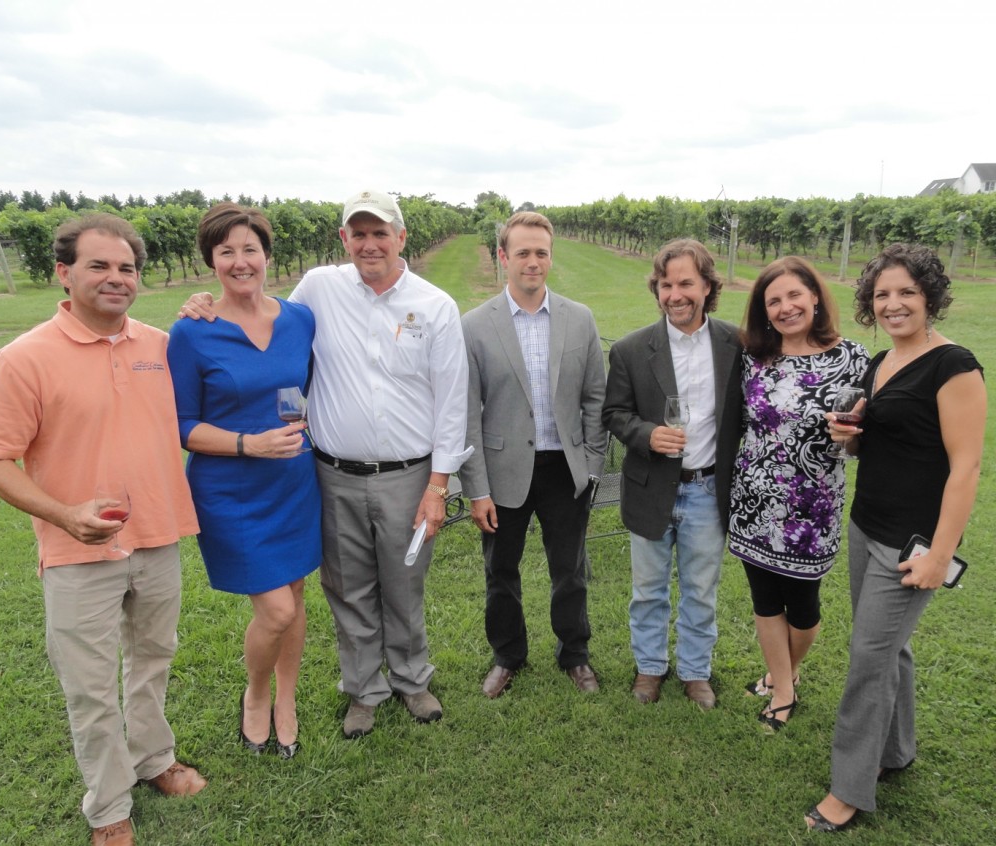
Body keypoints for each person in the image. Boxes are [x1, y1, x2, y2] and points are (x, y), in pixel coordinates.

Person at [181, 191, 469, 739]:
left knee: (404, 584)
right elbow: (258, 317)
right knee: (347, 587)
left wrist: (439, 484)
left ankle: (412, 679)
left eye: (380, 232)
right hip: (331, 474)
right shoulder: (318, 288)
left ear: (401, 237)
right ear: (344, 241)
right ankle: (364, 690)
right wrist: (205, 303)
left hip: (409, 476)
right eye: (357, 234)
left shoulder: (435, 306)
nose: (369, 243)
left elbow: (452, 401)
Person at [0, 215, 206, 846]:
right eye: (99, 265)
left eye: (127, 267)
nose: (116, 278)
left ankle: (155, 759)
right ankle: (108, 807)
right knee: (91, 686)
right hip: (77, 554)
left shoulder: (161, 346)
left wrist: (201, 304)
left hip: (158, 537)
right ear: (64, 273)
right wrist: (63, 515)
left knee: (154, 661)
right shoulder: (24, 357)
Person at [806, 244, 985, 832]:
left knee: (869, 656)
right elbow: (870, 444)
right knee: (890, 649)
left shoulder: (953, 366)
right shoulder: (881, 361)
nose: (893, 303)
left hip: (911, 541)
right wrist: (848, 434)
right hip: (867, 525)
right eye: (882, 294)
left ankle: (849, 789)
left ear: (930, 295)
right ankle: (896, 751)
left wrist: (939, 553)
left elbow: (965, 470)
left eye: (906, 291)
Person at [167, 203, 321, 759]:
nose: (239, 261)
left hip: (294, 482)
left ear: (267, 255)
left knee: (296, 596)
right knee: (275, 609)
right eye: (226, 251)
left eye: (249, 249)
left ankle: (287, 699)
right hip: (230, 490)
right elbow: (181, 425)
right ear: (210, 261)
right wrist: (245, 443)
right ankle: (255, 696)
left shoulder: (300, 319)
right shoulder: (192, 332)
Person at [460, 211, 607, 698]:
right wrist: (476, 488)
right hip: (504, 473)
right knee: (500, 571)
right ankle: (508, 655)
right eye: (522, 252)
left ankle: (575, 654)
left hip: (566, 470)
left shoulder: (579, 318)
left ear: (550, 256)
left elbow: (593, 400)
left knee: (571, 569)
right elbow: (467, 413)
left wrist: (591, 466)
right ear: (503, 257)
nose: (532, 261)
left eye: (541, 252)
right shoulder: (476, 326)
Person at [727, 257, 869, 731]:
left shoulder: (852, 358)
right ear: (764, 311)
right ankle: (782, 687)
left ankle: (782, 675)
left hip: (814, 508)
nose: (786, 307)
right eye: (774, 301)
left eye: (794, 295)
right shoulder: (752, 357)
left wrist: (850, 437)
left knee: (805, 610)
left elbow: (861, 440)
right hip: (754, 501)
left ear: (814, 295)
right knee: (765, 600)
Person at [602, 239, 742, 710]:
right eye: (666, 284)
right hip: (651, 488)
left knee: (701, 589)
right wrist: (646, 434)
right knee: (647, 589)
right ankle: (650, 667)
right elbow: (615, 413)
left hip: (707, 489)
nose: (675, 294)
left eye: (686, 283)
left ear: (707, 286)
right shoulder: (630, 349)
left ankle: (696, 671)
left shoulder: (735, 345)